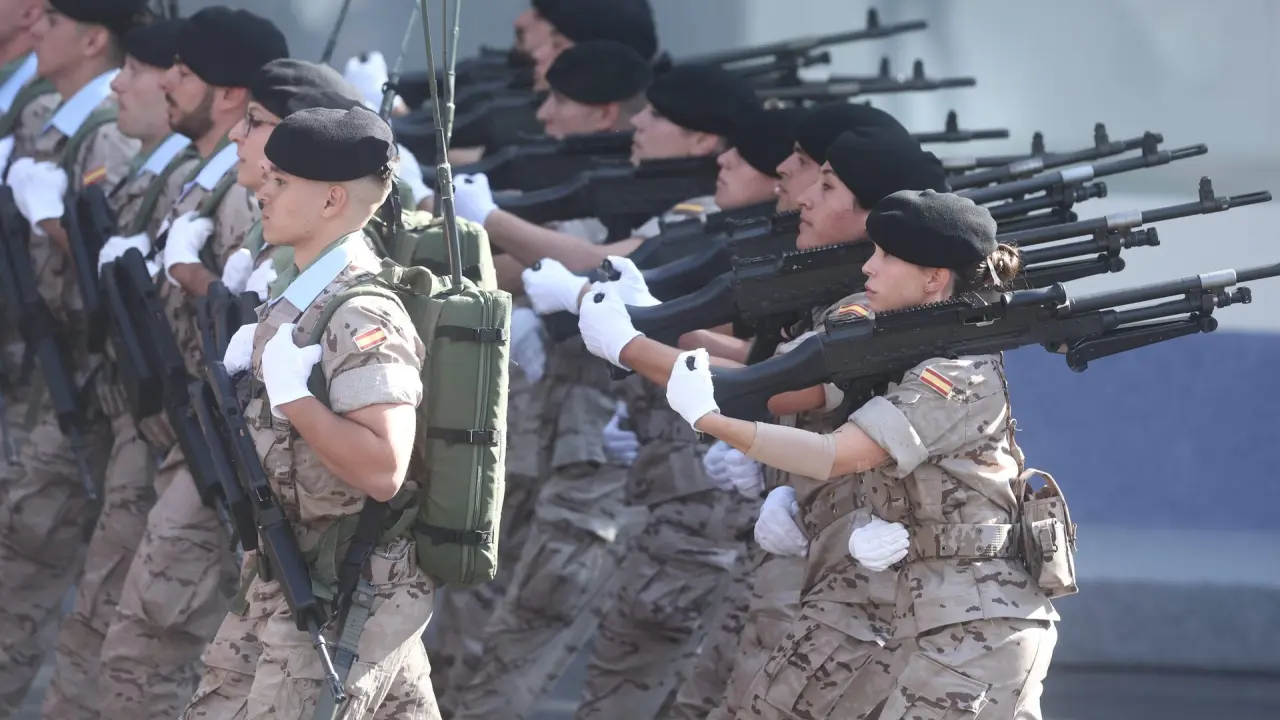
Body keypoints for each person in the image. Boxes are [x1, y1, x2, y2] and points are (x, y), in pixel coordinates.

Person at [663, 189, 1059, 720]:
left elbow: (835, 455)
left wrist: (713, 421)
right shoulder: (903, 354)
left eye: (887, 255)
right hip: (920, 613)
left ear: (934, 278)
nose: (868, 266)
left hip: (978, 629)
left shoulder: (955, 374)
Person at [182, 104, 439, 719]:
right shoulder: (301, 298)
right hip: (290, 573)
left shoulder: (361, 313)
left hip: (344, 590)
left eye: (281, 181)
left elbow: (383, 467)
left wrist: (294, 398)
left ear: (330, 200)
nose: (262, 192)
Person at [441, 38, 657, 720]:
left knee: (527, 634)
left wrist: (492, 223)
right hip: (549, 436)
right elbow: (519, 271)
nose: (544, 111)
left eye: (560, 98)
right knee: (473, 622)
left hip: (610, 454)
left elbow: (617, 265)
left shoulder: (677, 203)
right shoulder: (606, 177)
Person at [89, 8, 289, 717]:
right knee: (120, 626)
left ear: (229, 92)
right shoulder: (198, 176)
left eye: (183, 72)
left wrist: (191, 274)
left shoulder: (243, 195)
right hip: (170, 426)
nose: (166, 82)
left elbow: (259, 326)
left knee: (154, 642)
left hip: (213, 445)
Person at [37, 18, 196, 719]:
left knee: (136, 629)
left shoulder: (192, 182)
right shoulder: (167, 171)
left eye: (138, 72)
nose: (120, 86)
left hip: (166, 431)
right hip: (128, 411)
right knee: (103, 614)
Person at [0, 0, 147, 710]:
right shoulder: (51, 118)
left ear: (93, 39)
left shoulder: (109, 134)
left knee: (28, 559)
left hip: (84, 378)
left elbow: (116, 265)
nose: (36, 30)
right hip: (37, 365)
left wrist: (51, 219)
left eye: (52, 22)